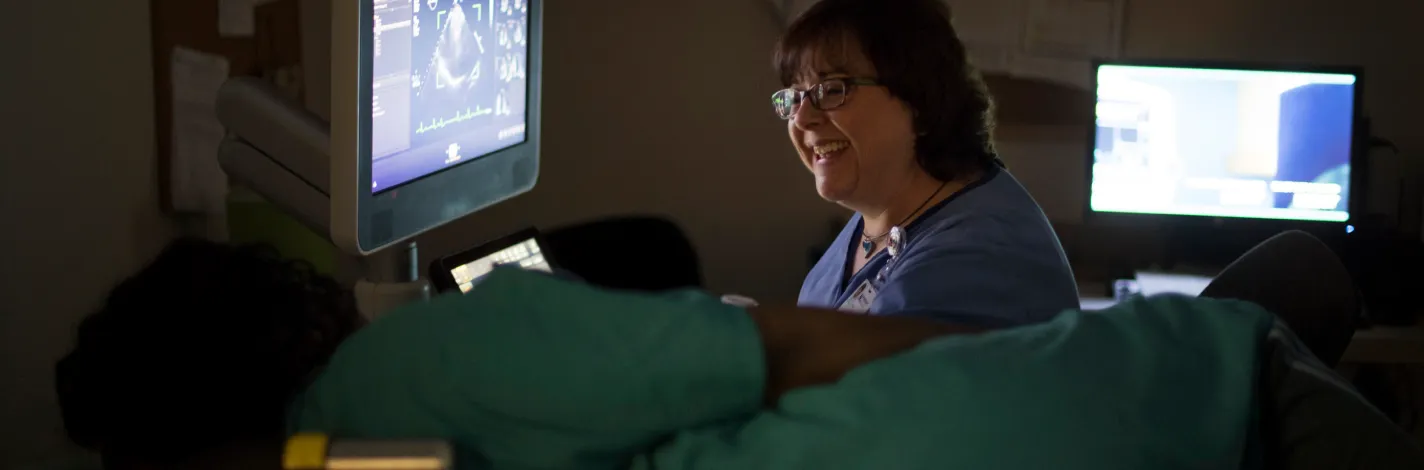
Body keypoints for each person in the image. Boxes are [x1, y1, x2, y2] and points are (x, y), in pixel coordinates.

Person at [58, 234, 1419, 470]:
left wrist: (1044, 357)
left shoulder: (421, 373)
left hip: (1195, 415)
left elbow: (774, 347)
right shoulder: (369, 426)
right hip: (1174, 401)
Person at [773, 0, 1078, 326]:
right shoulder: (878, 214)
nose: (802, 118)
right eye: (794, 96)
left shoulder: (981, 258)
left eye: (832, 89)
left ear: (920, 100)